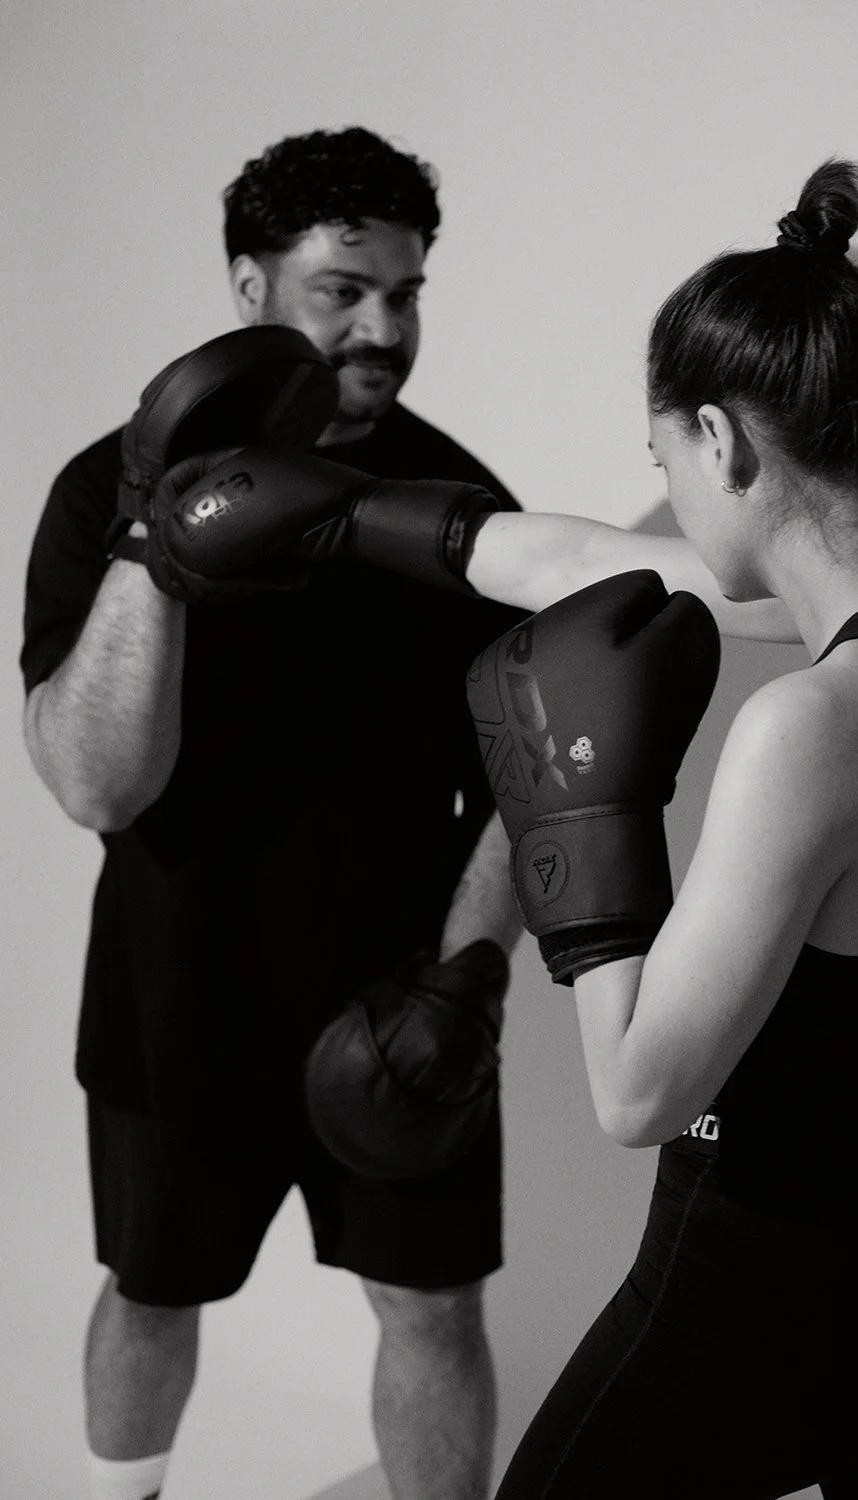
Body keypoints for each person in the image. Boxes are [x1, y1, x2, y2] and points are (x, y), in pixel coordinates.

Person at [455, 160, 858, 1495]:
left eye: (667, 462)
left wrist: (578, 815)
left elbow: (640, 1093)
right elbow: (603, 563)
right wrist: (369, 524)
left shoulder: (812, 730)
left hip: (764, 1255)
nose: (670, 495)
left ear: (725, 441)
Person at [20, 127, 525, 1500]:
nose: (382, 327)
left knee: (433, 1310)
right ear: (248, 285)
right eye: (342, 288)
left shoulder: (460, 510)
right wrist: (154, 545)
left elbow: (526, 774)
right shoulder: (96, 494)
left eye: (407, 293)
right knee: (152, 1290)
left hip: (399, 999)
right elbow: (91, 785)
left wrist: (464, 980)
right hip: (174, 992)